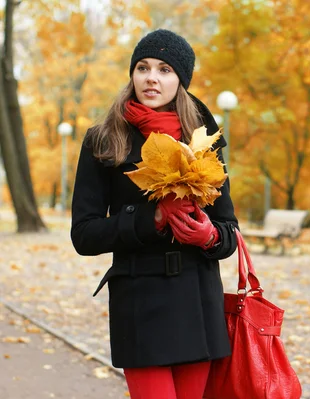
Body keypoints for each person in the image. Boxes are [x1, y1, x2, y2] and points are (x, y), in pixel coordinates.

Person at [70, 29, 238, 399]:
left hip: (198, 301)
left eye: (165, 70)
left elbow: (229, 231)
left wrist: (209, 236)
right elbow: (84, 234)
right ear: (132, 74)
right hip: (140, 301)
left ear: (180, 80)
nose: (151, 77)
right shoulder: (104, 139)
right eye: (143, 67)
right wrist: (153, 219)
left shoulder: (203, 138)